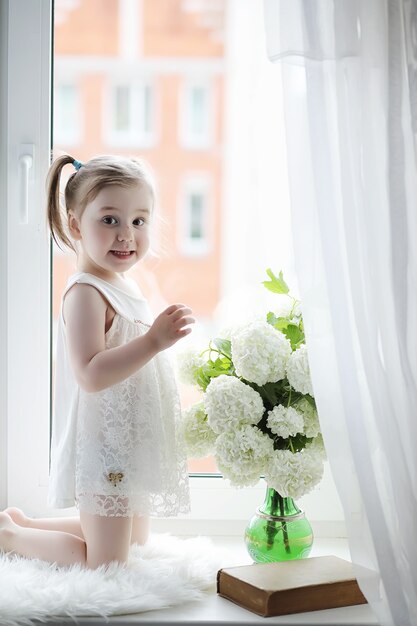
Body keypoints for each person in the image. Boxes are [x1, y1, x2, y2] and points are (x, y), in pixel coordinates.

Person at [0, 154, 194, 569]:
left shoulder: (123, 283)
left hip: (128, 439)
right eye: (109, 220)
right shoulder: (86, 292)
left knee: (135, 542)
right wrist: (155, 341)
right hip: (105, 444)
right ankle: (11, 536)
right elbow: (89, 373)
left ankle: (23, 522)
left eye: (139, 221)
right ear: (75, 226)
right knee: (107, 563)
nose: (126, 235)